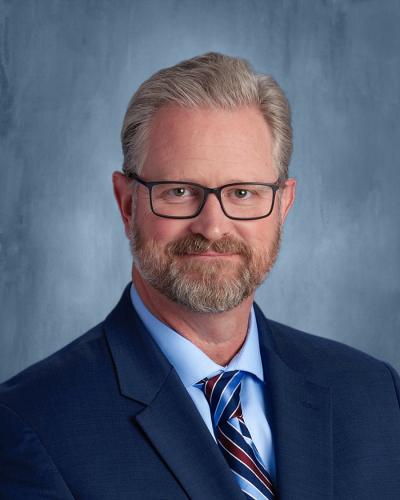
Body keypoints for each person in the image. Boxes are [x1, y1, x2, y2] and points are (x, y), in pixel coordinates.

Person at [0, 52, 399, 500]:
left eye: (243, 192)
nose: (212, 226)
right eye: (179, 191)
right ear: (127, 204)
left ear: (283, 206)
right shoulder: (30, 424)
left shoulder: (376, 396)